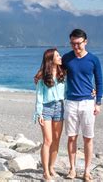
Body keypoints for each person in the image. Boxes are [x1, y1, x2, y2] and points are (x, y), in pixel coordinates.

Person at [63, 29, 103, 181]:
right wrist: (39, 78)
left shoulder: (93, 59)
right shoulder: (66, 58)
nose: (76, 47)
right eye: (73, 44)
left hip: (88, 103)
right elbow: (54, 71)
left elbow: (99, 81)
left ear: (85, 42)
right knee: (72, 138)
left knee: (88, 138)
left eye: (78, 43)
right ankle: (72, 169)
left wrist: (98, 102)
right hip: (71, 102)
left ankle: (87, 171)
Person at [33, 48, 66, 181]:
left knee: (56, 140)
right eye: (57, 55)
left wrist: (91, 90)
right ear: (50, 59)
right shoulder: (42, 77)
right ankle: (45, 172)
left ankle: (52, 167)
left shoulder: (63, 73)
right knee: (48, 140)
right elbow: (39, 96)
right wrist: (39, 113)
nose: (60, 57)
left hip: (60, 107)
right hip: (46, 108)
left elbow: (72, 87)